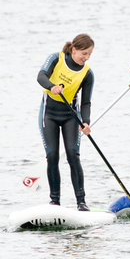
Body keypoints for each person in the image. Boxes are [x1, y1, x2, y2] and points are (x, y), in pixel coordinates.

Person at [37, 33, 94, 210]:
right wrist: (51, 86)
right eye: (83, 53)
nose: (86, 58)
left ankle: (81, 202)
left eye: (89, 55)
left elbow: (85, 102)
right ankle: (55, 201)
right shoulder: (56, 58)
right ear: (74, 49)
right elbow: (40, 76)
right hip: (49, 114)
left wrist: (85, 122)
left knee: (73, 155)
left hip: (71, 116)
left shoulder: (87, 73)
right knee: (52, 156)